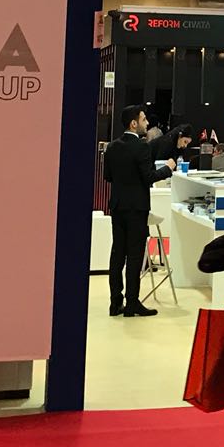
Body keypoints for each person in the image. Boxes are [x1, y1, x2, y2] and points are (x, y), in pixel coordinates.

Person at [101, 105, 168, 317]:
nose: (147, 123)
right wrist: (168, 169)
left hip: (118, 206)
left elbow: (108, 176)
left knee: (117, 254)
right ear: (133, 123)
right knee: (134, 256)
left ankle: (115, 302)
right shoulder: (142, 147)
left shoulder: (112, 147)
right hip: (137, 208)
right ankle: (132, 303)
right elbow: (149, 178)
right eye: (143, 119)